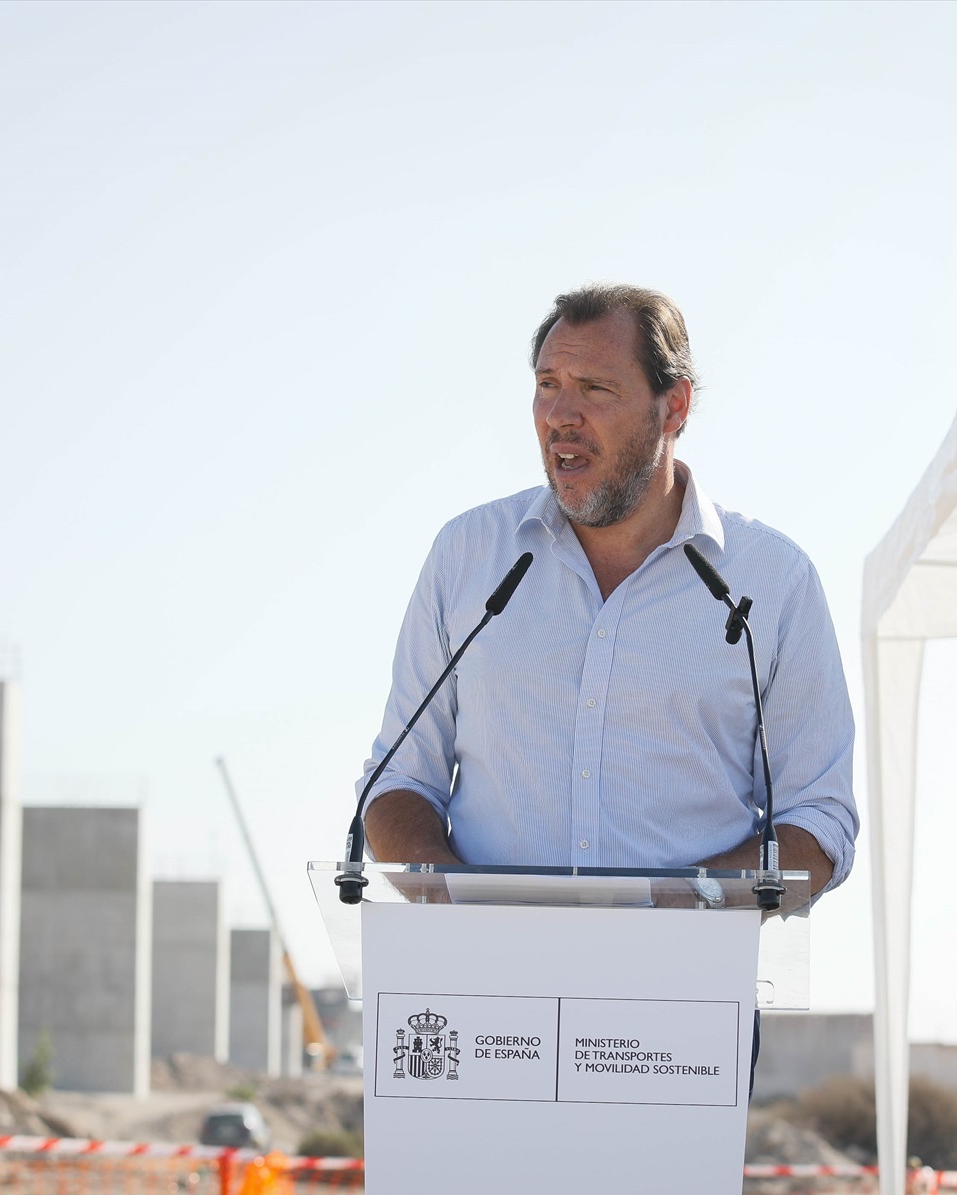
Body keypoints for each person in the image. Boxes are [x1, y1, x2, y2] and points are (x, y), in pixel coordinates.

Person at [357, 282, 857, 901]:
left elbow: (819, 821)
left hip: (684, 987)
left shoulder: (773, 581)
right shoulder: (467, 556)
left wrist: (672, 910)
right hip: (487, 982)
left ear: (673, 407)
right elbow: (397, 782)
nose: (560, 414)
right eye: (547, 385)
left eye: (594, 388)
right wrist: (457, 905)